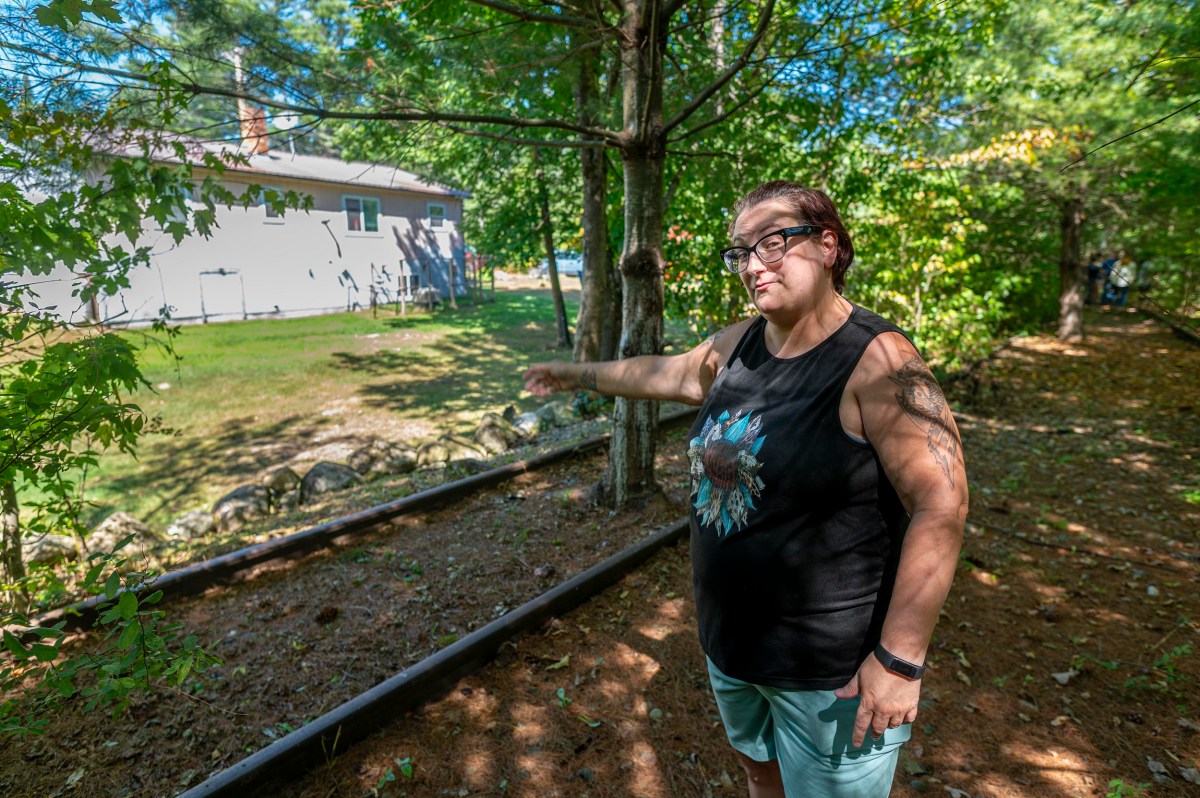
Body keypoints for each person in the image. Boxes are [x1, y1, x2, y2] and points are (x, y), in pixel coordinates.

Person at [523, 181, 968, 798]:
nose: (753, 264)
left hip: (828, 674)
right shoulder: (738, 347)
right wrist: (573, 372)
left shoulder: (880, 363)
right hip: (731, 648)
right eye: (741, 251)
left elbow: (941, 504)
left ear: (829, 245)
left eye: (774, 242)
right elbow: (659, 372)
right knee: (760, 774)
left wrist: (899, 659)